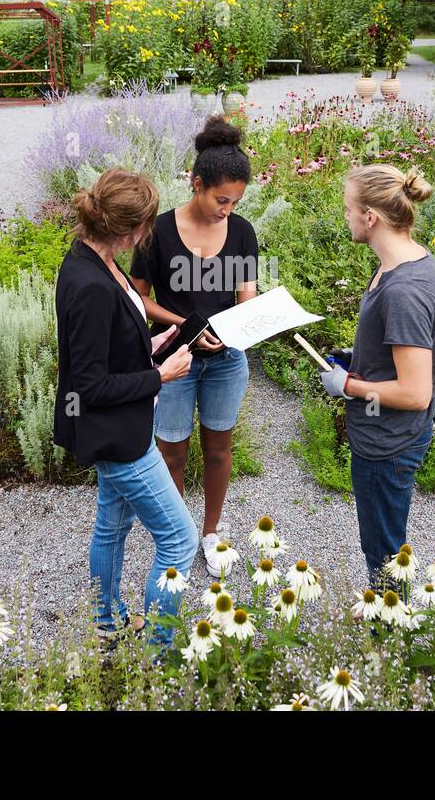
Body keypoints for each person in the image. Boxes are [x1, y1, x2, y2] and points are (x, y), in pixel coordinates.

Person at [53, 167, 196, 648]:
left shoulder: (96, 259)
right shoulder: (90, 283)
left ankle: (106, 619)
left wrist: (151, 344)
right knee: (180, 540)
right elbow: (91, 385)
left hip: (118, 427)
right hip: (118, 437)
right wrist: (162, 374)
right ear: (131, 229)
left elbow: (105, 347)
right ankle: (158, 649)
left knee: (111, 527)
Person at [131, 115, 258, 577]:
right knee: (172, 452)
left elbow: (248, 294)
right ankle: (177, 534)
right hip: (174, 360)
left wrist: (241, 322)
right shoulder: (158, 233)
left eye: (235, 201)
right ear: (197, 184)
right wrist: (187, 322)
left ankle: (210, 534)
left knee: (219, 448)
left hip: (226, 359)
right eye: (221, 199)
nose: (228, 209)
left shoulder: (242, 232)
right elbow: (139, 298)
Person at [318, 163, 435, 588]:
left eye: (347, 209)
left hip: (387, 443)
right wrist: (359, 356)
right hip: (390, 433)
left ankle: (390, 633)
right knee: (381, 541)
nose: (346, 217)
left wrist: (349, 386)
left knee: (383, 549)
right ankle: (384, 605)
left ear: (370, 217)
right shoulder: (408, 263)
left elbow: (415, 392)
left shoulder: (404, 290)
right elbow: (404, 352)